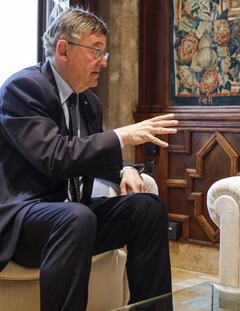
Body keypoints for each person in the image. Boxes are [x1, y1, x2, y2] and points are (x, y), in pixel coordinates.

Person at [0, 7, 178, 311]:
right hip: (24, 220)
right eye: (95, 50)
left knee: (147, 207)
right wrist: (122, 136)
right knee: (76, 217)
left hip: (72, 220)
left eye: (105, 52)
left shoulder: (88, 102)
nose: (103, 61)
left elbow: (90, 155)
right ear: (63, 49)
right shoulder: (24, 88)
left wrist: (124, 170)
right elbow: (54, 156)